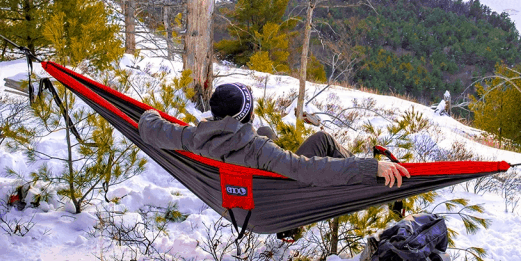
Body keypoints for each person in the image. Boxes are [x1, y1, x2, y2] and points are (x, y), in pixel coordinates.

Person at [138, 82, 410, 188]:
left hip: (237, 192)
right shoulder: (258, 150)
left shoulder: (192, 137)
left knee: (267, 132)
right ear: (245, 114)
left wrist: (148, 113)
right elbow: (307, 169)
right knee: (323, 140)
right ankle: (369, 178)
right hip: (276, 196)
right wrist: (370, 167)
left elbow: (151, 128)